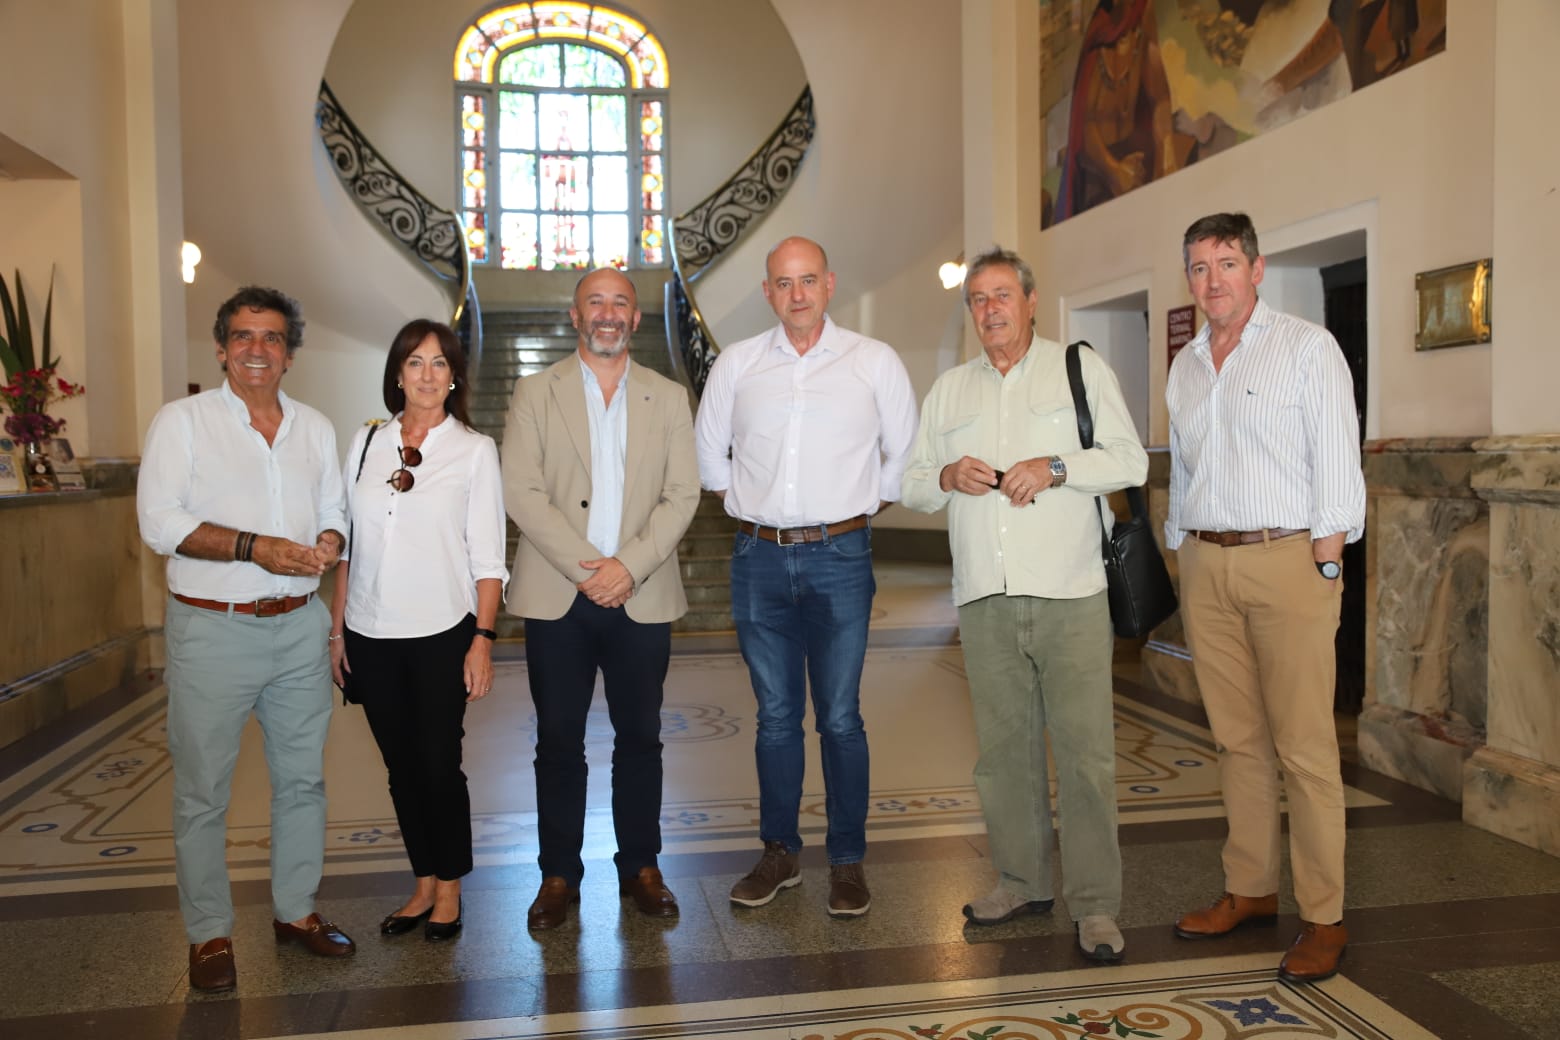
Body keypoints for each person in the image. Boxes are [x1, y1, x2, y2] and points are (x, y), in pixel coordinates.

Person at [900, 246, 1146, 962]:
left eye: (1002, 295)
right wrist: (946, 474)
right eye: (978, 299)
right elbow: (910, 484)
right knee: (1004, 756)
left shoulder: (1078, 369)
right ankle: (1021, 881)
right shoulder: (950, 390)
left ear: (1031, 302)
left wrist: (1056, 467)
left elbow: (1129, 460)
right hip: (985, 598)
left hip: (1072, 592)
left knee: (1086, 757)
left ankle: (1095, 905)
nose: (990, 309)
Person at [1165, 212, 1365, 983]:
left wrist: (1326, 562)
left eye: (1225, 263)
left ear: (1256, 268)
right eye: (1198, 267)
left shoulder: (1307, 348)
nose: (1211, 280)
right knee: (1236, 740)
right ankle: (1249, 887)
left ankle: (1324, 916)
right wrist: (1182, 546)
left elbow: (1337, 458)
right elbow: (1185, 466)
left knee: (1305, 748)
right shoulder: (1186, 365)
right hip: (1207, 564)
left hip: (1288, 560)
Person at [137, 286, 354, 993]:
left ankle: (295, 911)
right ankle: (209, 933)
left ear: (289, 353)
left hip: (298, 627)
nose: (257, 349)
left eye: (271, 338)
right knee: (203, 790)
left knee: (302, 780)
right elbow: (159, 522)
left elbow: (334, 509)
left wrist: (329, 540)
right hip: (212, 629)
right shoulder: (183, 422)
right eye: (242, 336)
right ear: (222, 348)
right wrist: (255, 547)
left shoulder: (314, 427)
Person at [695, 236, 918, 917]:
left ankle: (846, 861)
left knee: (841, 717)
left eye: (808, 280)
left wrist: (854, 511)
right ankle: (780, 854)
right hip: (758, 559)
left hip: (840, 557)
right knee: (775, 717)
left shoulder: (873, 361)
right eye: (784, 282)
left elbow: (903, 455)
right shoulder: (737, 364)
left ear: (830, 284)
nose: (797, 294)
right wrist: (754, 506)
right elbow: (709, 455)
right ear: (768, 291)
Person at [502, 267, 699, 930]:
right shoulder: (535, 392)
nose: (608, 313)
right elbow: (522, 491)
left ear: (636, 319)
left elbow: (683, 494)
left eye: (620, 303)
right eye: (596, 302)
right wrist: (590, 570)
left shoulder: (668, 397)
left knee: (641, 737)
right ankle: (558, 873)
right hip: (560, 594)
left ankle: (641, 866)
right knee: (558, 740)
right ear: (575, 314)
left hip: (641, 593)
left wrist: (629, 567)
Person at [328, 318, 507, 943]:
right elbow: (348, 545)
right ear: (397, 375)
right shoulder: (365, 441)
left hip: (441, 631)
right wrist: (337, 632)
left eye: (439, 363)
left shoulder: (474, 450)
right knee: (400, 769)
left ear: (454, 376)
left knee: (438, 765)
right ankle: (423, 882)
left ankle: (450, 887)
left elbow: (489, 558)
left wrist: (482, 640)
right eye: (415, 362)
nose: (427, 375)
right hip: (369, 632)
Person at [1053, 0, 1178, 223]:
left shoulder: (1142, 24)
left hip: (1136, 157)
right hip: (1099, 168)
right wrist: (1113, 170)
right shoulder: (1098, 39)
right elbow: (1087, 124)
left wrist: (1167, 153)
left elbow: (1160, 98)